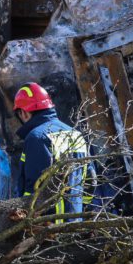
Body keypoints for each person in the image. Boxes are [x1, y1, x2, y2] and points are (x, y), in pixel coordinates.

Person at [13, 83, 95, 217]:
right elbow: (91, 180)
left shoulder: (37, 138)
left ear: (24, 112)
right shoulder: (75, 134)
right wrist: (79, 211)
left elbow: (34, 190)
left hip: (46, 227)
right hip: (73, 223)